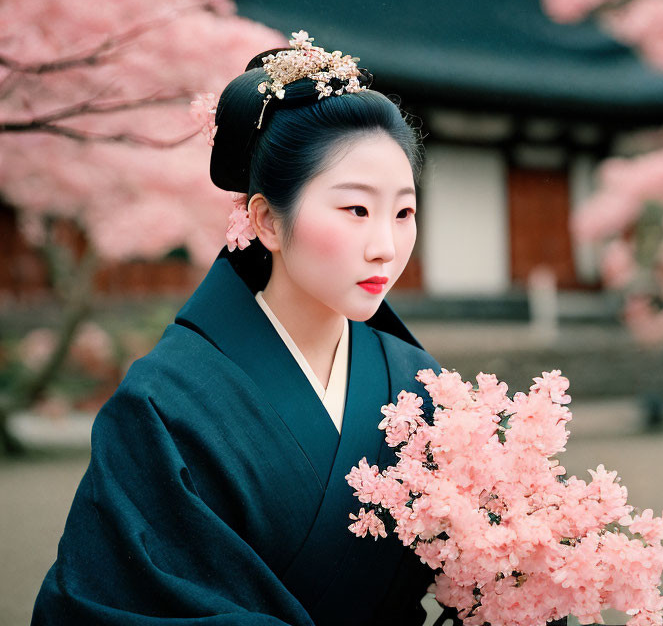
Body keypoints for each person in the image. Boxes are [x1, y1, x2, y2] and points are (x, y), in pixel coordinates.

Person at [32, 32, 441, 625]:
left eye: (403, 212)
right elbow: (120, 596)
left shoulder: (423, 389)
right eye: (356, 210)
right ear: (267, 220)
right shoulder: (165, 402)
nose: (386, 247)